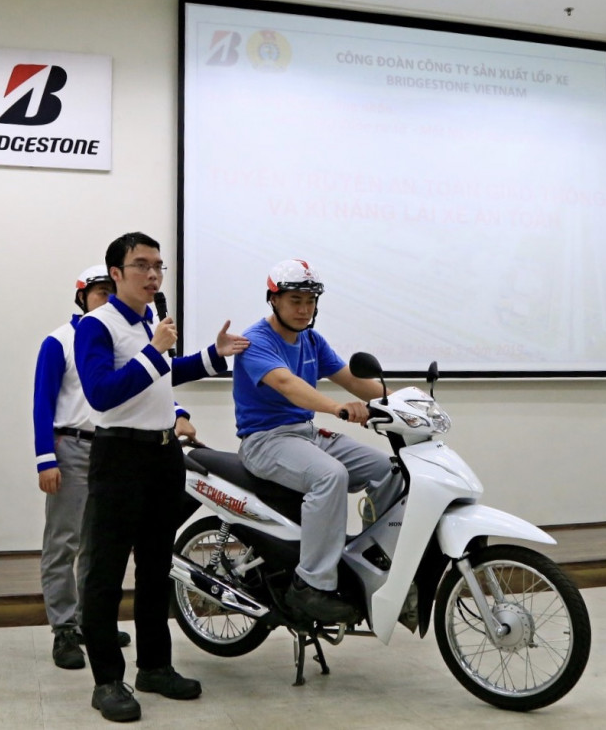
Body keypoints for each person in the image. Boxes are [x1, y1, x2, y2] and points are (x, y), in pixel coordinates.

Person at [74, 232, 250, 723]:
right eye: (142, 265)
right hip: (118, 456)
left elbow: (164, 375)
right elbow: (102, 394)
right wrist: (154, 352)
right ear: (116, 273)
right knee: (106, 573)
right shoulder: (97, 326)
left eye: (158, 266)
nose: (153, 275)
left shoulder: (151, 322)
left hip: (162, 454)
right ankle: (107, 681)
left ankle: (154, 666)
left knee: (156, 568)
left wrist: (213, 355)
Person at [34, 266, 199, 671]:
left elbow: (149, 385)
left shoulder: (133, 330)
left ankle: (92, 625)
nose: (108, 297)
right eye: (99, 291)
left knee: (98, 547)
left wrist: (178, 411)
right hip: (74, 445)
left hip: (118, 449)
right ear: (82, 296)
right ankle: (64, 628)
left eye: (112, 290)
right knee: (64, 541)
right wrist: (45, 458)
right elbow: (43, 401)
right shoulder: (61, 340)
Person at [232, 259, 404, 625]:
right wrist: (336, 408)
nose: (304, 309)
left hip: (305, 434)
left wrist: (403, 403)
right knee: (330, 476)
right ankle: (310, 585)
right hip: (264, 440)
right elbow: (287, 384)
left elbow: (353, 381)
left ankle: (370, 563)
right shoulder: (256, 341)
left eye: (310, 301)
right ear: (274, 299)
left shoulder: (311, 340)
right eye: (295, 300)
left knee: (389, 470)